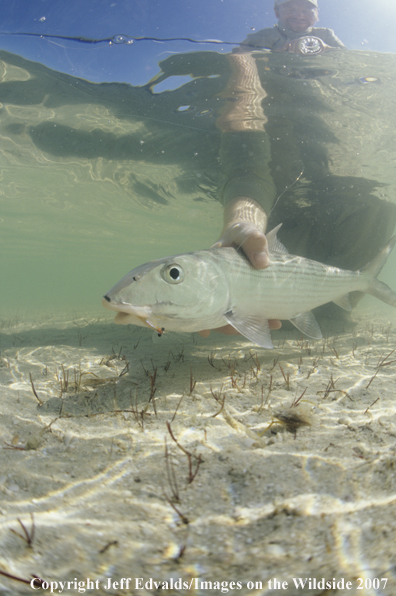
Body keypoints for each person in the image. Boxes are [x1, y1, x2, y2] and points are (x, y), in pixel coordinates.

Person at [239, 0, 345, 53]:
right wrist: (276, 54)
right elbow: (240, 59)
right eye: (290, 10)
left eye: (307, 11)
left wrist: (326, 49)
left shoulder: (326, 35)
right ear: (277, 13)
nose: (299, 16)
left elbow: (350, 59)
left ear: (317, 14)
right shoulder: (264, 36)